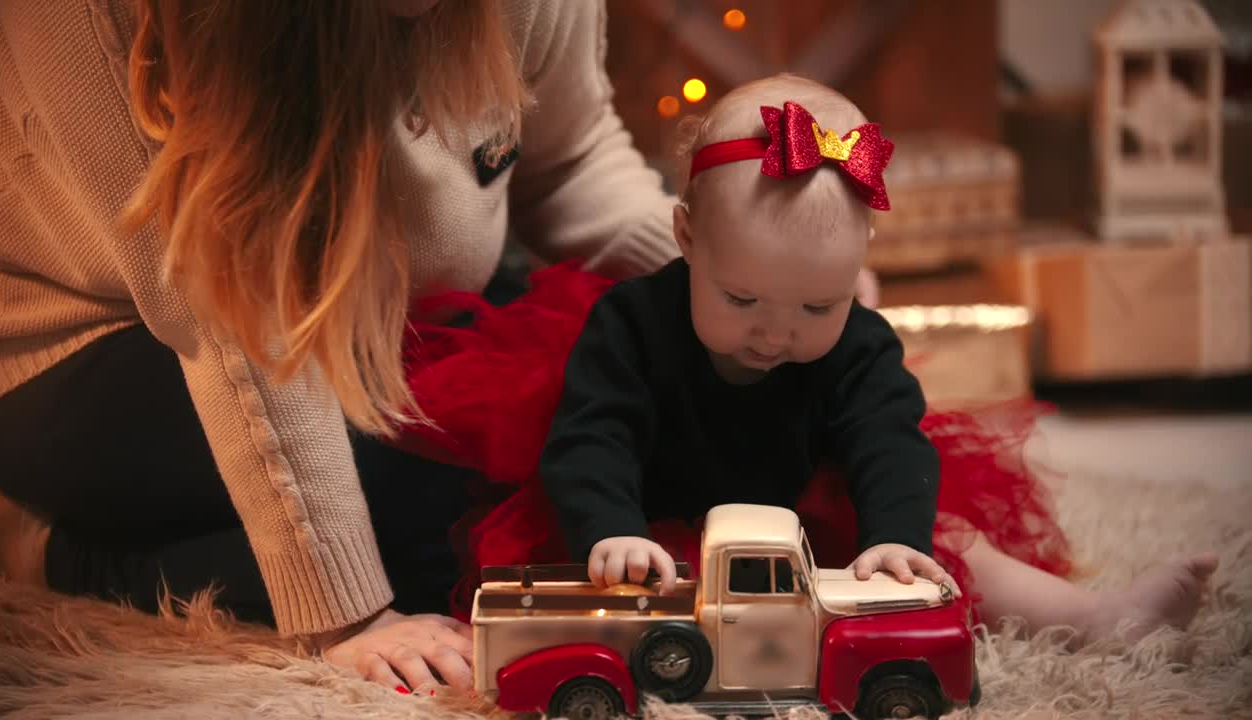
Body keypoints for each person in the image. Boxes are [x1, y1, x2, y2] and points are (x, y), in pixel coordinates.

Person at [0, 0, 888, 694]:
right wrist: (349, 618)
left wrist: (752, 289)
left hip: (395, 319)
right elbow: (231, 316)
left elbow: (571, 168)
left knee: (601, 427)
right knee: (436, 529)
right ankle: (37, 544)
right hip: (98, 341)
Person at [398, 74, 1220, 650]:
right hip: (652, 521)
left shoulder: (857, 344)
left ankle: (1097, 619)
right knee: (614, 596)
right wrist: (610, 530)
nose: (774, 335)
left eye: (815, 309)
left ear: (860, 264)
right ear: (686, 238)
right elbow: (593, 437)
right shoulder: (632, 326)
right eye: (743, 300)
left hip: (803, 519)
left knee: (951, 540)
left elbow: (889, 441)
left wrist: (896, 539)